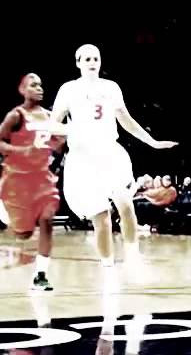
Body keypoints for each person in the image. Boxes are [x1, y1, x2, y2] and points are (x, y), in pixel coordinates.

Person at [51, 44, 177, 267]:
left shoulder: (111, 88)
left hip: (109, 153)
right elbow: (53, 126)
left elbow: (126, 120)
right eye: (87, 59)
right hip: (82, 158)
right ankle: (107, 263)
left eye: (95, 58)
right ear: (78, 62)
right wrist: (76, 129)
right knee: (101, 216)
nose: (92, 62)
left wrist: (151, 141)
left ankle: (133, 255)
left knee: (125, 204)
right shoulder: (68, 90)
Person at [0, 73, 65, 291]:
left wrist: (61, 139)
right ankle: (4, 212)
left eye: (41, 84)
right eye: (33, 85)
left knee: (48, 221)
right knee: (24, 234)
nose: (39, 88)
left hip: (42, 179)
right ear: (22, 90)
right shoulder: (16, 115)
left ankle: (41, 275)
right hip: (16, 181)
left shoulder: (51, 117)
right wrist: (23, 150)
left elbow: (57, 146)